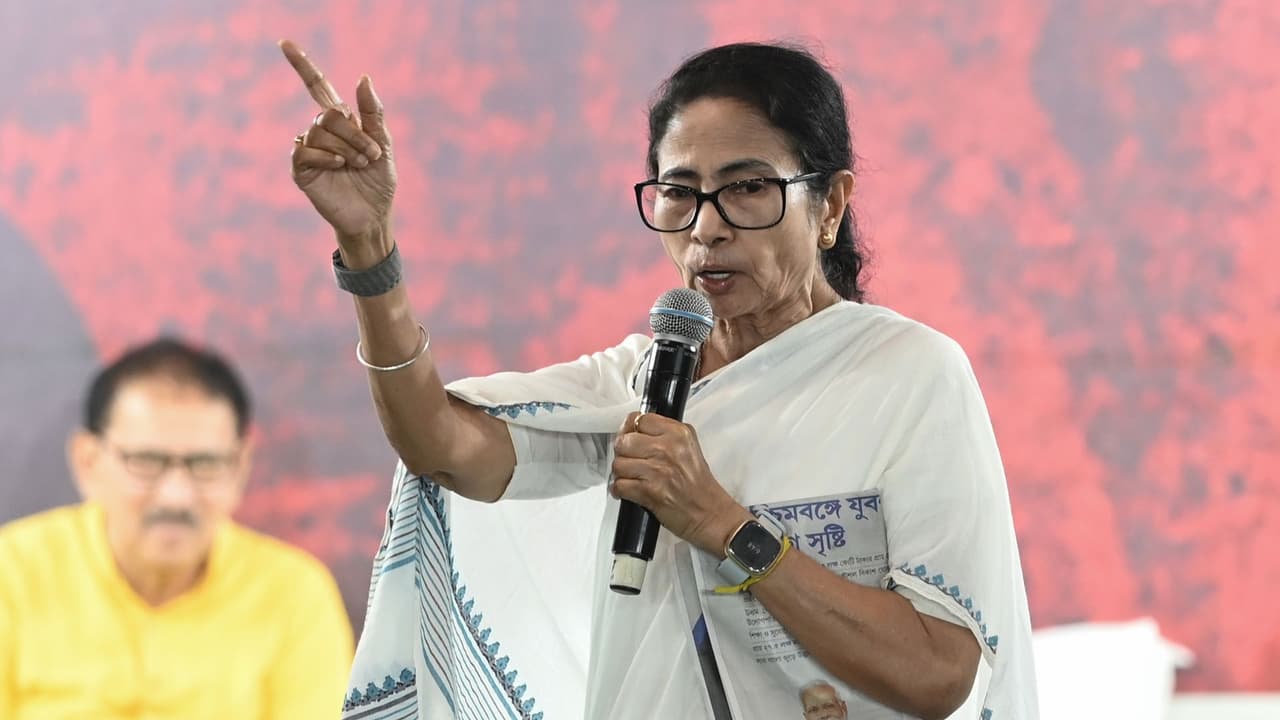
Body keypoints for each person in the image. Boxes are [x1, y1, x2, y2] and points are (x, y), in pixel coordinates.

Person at [282, 39, 1037, 719]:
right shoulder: (642, 386)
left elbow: (939, 672)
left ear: (830, 203)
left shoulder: (908, 376)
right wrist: (369, 248)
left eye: (747, 188)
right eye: (679, 191)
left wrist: (722, 525)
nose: (707, 227)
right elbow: (441, 446)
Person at [0, 338, 355, 720]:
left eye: (204, 464)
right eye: (146, 462)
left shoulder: (293, 593)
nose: (176, 497)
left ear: (240, 467)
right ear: (88, 462)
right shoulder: (13, 572)